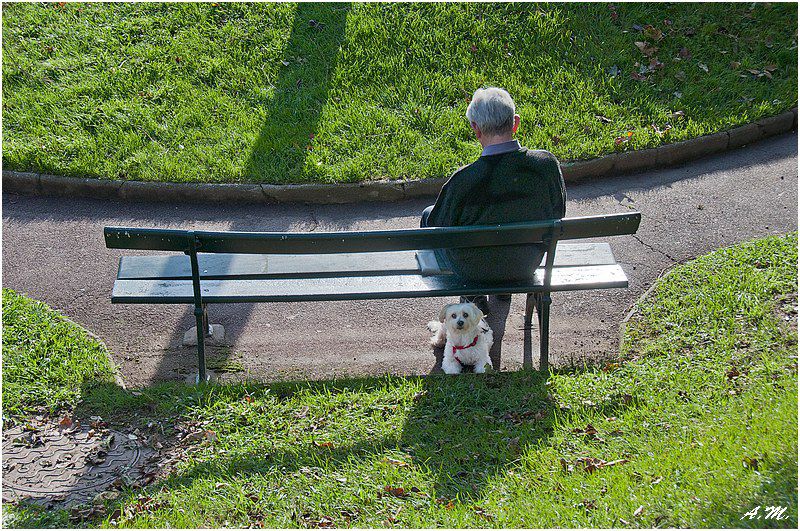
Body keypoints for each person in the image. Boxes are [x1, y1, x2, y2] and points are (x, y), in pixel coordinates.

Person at [421, 87, 566, 313]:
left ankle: (474, 294)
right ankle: (503, 290)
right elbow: (558, 211)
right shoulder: (546, 166)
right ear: (515, 123)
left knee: (428, 216)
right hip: (524, 265)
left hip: (472, 271)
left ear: (476, 129)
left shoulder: (463, 181)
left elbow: (436, 231)